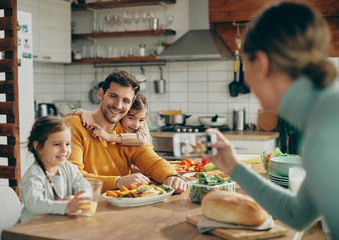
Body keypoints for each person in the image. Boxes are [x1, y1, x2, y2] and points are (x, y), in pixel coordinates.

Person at [202, 2, 338, 237]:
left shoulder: (325, 134)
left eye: (246, 65)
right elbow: (297, 214)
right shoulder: (322, 117)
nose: (246, 81)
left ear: (262, 63)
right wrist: (234, 167)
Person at [65, 70, 187, 193]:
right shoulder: (74, 125)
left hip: (122, 204)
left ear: (131, 104)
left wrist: (172, 176)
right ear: (101, 94)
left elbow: (153, 162)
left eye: (125, 101)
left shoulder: (128, 131)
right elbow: (73, 177)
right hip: (84, 205)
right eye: (113, 96)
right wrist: (118, 182)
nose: (118, 105)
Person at [20, 116, 91, 222]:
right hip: (34, 230)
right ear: (39, 147)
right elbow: (34, 204)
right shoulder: (33, 176)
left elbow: (85, 185)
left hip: (57, 226)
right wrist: (66, 206)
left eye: (68, 144)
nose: (65, 150)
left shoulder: (68, 167)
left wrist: (79, 199)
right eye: (57, 144)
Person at [72, 93, 150, 147]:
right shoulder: (114, 122)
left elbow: (143, 139)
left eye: (141, 120)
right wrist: (83, 112)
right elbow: (69, 114)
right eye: (131, 118)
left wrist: (110, 137)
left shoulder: (140, 127)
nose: (136, 125)